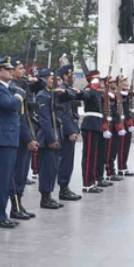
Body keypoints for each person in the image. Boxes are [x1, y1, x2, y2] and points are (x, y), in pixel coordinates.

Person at [0, 57, 22, 228]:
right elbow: (11, 105)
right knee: (0, 181)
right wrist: (19, 95)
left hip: (8, 138)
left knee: (6, 179)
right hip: (2, 139)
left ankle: (2, 214)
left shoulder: (6, 88)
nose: (10, 71)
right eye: (7, 69)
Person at [9, 58, 40, 219]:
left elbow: (40, 84)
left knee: (22, 171)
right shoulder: (14, 88)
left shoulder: (23, 85)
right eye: (20, 68)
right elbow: (20, 116)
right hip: (20, 134)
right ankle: (14, 206)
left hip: (27, 129)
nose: (23, 71)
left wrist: (31, 79)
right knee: (18, 172)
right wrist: (28, 138)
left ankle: (19, 204)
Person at [35, 68, 65, 209]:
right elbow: (45, 120)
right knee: (46, 169)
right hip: (48, 137)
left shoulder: (54, 95)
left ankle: (49, 195)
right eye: (52, 79)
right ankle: (44, 197)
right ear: (45, 80)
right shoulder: (42, 96)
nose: (55, 81)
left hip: (56, 133)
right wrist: (51, 139)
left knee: (53, 168)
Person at [78, 70, 109, 195]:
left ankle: (93, 180)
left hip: (97, 124)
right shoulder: (90, 91)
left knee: (95, 155)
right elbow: (82, 94)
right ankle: (87, 183)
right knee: (89, 155)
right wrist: (84, 90)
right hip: (90, 124)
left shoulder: (97, 92)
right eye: (100, 80)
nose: (103, 82)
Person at [55, 65, 83, 201]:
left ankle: (65, 186)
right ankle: (63, 188)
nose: (74, 78)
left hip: (71, 127)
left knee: (68, 160)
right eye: (72, 75)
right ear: (65, 76)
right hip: (67, 130)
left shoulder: (68, 90)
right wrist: (70, 131)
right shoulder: (63, 91)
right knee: (66, 160)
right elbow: (65, 113)